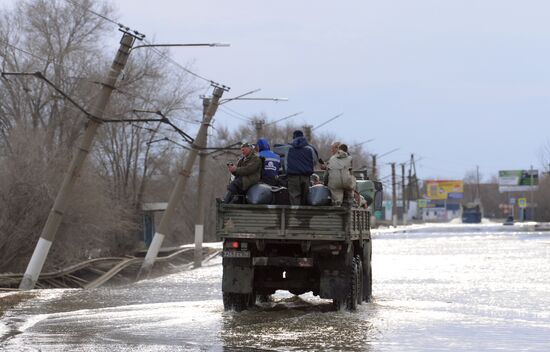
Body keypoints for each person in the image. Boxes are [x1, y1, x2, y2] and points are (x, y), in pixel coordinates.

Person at [286, 130, 319, 205]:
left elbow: (285, 161)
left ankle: (295, 215)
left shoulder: (288, 148)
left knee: (294, 196)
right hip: (305, 176)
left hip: (293, 176)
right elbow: (314, 161)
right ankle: (303, 215)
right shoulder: (310, 148)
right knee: (305, 197)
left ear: (294, 137)